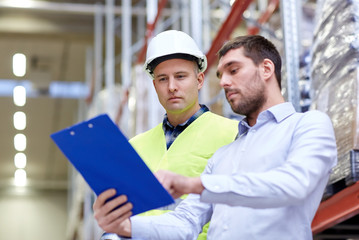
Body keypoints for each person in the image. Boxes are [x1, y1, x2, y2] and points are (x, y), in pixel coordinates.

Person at [93, 35, 337, 240]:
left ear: (266, 69)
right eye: (221, 75)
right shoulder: (224, 156)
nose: (224, 82)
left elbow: (293, 185)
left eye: (233, 70)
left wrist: (194, 184)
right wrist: (124, 227)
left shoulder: (308, 125)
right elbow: (185, 222)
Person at [98, 30, 238, 240]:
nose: (172, 87)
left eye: (180, 76)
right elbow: (122, 217)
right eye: (163, 79)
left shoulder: (233, 134)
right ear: (155, 85)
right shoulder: (135, 146)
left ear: (199, 80)